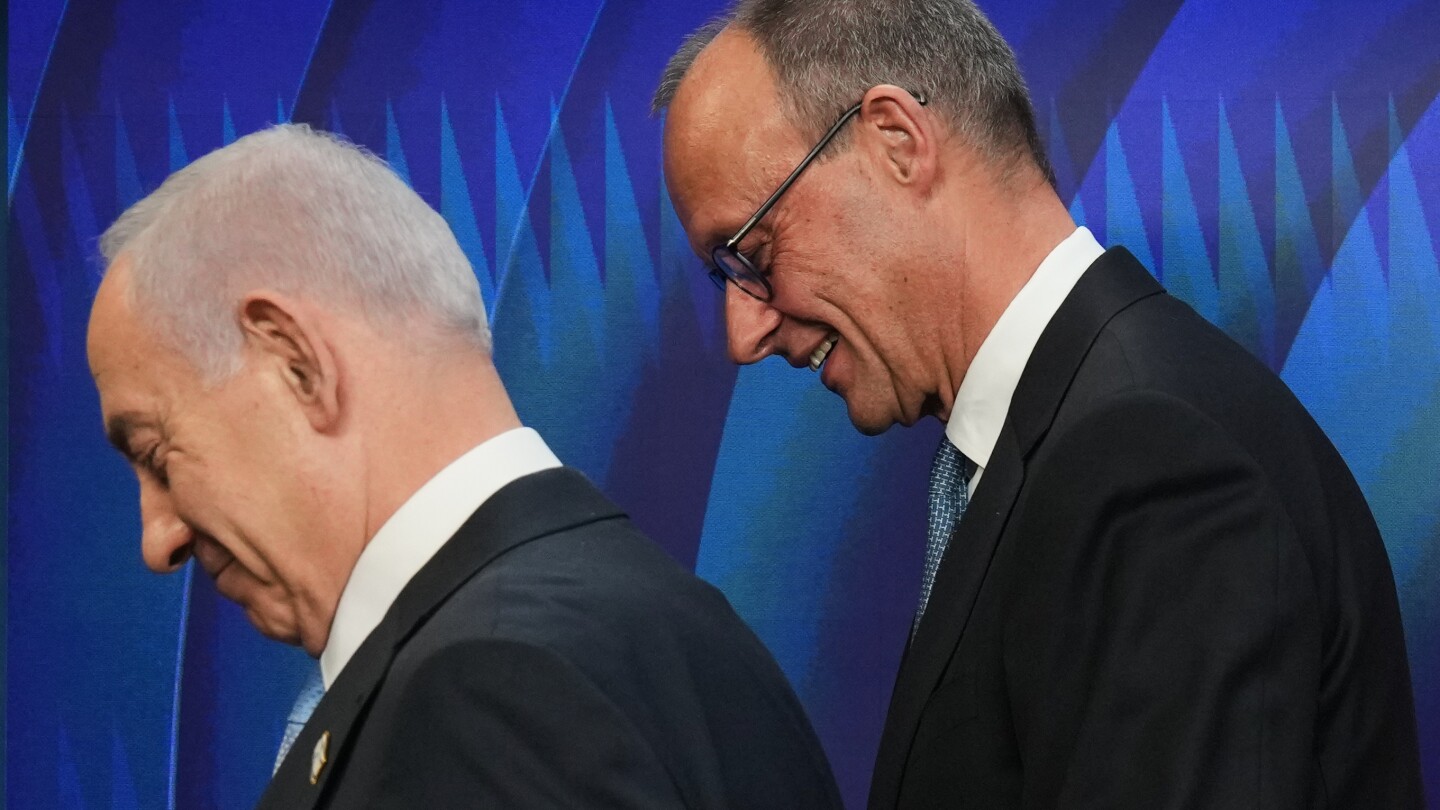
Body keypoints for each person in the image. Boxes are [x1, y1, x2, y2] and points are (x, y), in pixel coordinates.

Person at [654, 1, 1424, 807]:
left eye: (753, 254)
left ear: (895, 142)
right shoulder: (1080, 436)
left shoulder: (1150, 460)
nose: (743, 333)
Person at [87, 123, 842, 809]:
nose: (158, 540)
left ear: (296, 364)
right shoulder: (663, 621)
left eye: (156, 455)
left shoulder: (478, 694)